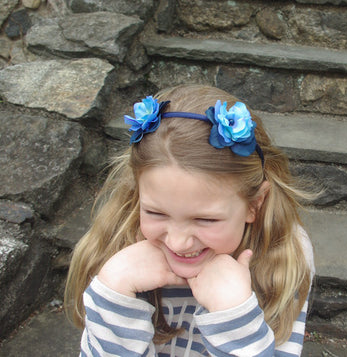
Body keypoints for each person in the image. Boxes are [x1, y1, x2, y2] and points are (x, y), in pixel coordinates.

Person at [64, 84, 315, 356]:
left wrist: (234, 316)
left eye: (205, 219)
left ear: (254, 204)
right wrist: (114, 291)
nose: (179, 243)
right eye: (156, 213)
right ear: (138, 194)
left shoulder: (285, 255)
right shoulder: (117, 247)